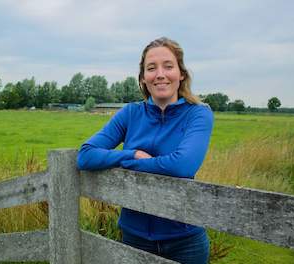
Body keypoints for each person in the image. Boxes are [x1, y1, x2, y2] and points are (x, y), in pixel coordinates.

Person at [77, 37, 213, 264]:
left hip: (185, 240)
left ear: (181, 74)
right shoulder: (130, 113)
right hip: (134, 236)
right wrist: (130, 154)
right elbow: (85, 155)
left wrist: (131, 164)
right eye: (151, 68)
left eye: (168, 66)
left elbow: (182, 165)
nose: (160, 74)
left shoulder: (198, 113)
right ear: (143, 78)